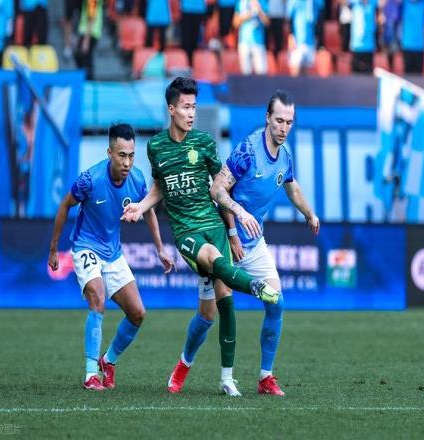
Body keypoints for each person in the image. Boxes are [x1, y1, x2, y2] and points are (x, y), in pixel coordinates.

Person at [121, 77, 280, 397]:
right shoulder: (156, 147)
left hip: (214, 225)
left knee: (215, 309)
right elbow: (160, 187)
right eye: (186, 107)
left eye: (194, 107)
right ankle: (253, 286)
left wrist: (232, 232)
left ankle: (221, 377)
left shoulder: (205, 143)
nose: (191, 113)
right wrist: (140, 206)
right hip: (186, 232)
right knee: (211, 258)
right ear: (171, 109)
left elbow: (221, 189)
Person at [48, 123, 174, 391]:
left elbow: (148, 211)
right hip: (85, 247)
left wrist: (160, 249)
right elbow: (64, 205)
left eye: (131, 155)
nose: (127, 162)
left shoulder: (137, 179)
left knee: (138, 313)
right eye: (122, 155)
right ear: (109, 153)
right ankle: (90, 374)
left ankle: (109, 360)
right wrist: (54, 248)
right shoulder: (90, 180)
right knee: (98, 298)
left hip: (113, 254)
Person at [210, 89, 320, 396]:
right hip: (224, 239)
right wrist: (234, 228)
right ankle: (204, 373)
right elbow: (218, 190)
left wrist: (309, 213)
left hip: (254, 242)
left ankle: (265, 377)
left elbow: (291, 187)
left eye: (289, 122)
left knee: (276, 302)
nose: (284, 128)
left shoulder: (285, 156)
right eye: (279, 121)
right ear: (267, 118)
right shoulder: (248, 150)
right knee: (209, 314)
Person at [233, 0, 270, 75]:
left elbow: (267, 22)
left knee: (262, 74)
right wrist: (246, 16)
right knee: (245, 74)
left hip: (258, 42)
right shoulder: (241, 2)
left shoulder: (262, 2)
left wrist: (259, 11)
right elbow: (235, 23)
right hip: (244, 42)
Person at [287, 0, 322, 76]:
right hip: (297, 41)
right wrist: (291, 37)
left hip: (311, 41)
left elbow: (319, 20)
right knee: (296, 69)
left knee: (307, 71)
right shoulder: (294, 1)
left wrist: (318, 39)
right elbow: (289, 19)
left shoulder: (316, 2)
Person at [74, 0, 102, 80]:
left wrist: (86, 39)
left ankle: (88, 81)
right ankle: (85, 79)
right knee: (81, 56)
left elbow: (91, 18)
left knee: (86, 60)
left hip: (90, 32)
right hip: (88, 32)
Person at [349, 0, 380, 74]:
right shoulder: (355, 2)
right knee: (355, 76)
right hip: (356, 46)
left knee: (368, 76)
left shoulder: (373, 2)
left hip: (369, 47)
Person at [400, 0, 424, 74]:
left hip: (420, 47)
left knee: (419, 77)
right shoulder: (405, 3)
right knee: (408, 77)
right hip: (407, 46)